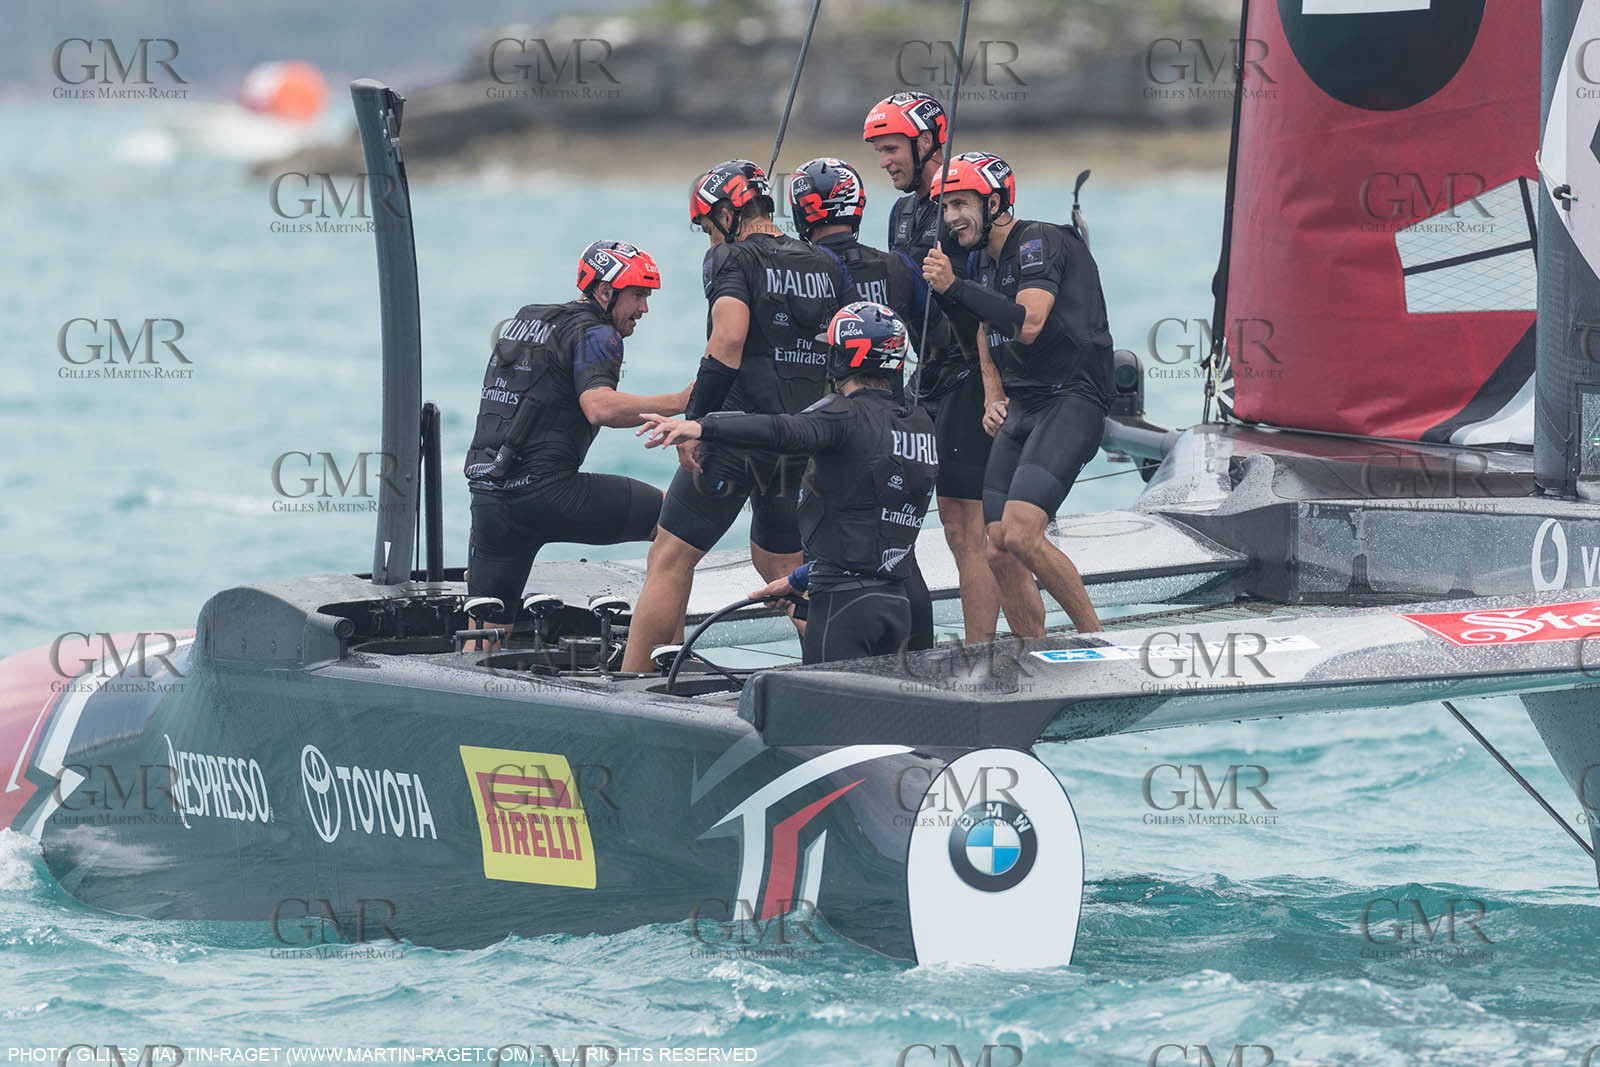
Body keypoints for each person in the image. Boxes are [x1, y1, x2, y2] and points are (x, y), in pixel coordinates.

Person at [619, 160, 849, 673]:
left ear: (727, 213)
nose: (708, 240)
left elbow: (728, 340)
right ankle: (836, 675)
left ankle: (634, 684)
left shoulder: (731, 259)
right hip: (801, 442)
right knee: (785, 565)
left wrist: (693, 422)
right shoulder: (826, 263)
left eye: (706, 227)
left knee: (669, 558)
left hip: (734, 437)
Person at [637, 302, 938, 664]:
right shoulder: (920, 423)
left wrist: (701, 425)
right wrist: (799, 579)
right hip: (903, 607)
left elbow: (781, 429)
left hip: (844, 611)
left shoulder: (844, 415)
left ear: (844, 359)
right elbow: (872, 532)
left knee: (832, 720)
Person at [922, 151, 1113, 637]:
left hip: (1071, 398)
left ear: (997, 204)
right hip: (1022, 406)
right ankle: (1035, 654)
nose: (951, 217)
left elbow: (1026, 323)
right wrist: (991, 393)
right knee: (996, 549)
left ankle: (1098, 639)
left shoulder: (1038, 241)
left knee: (1024, 535)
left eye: (962, 203)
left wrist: (953, 287)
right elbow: (988, 329)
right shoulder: (983, 262)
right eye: (945, 206)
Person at [463, 240, 689, 635]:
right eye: (637, 295)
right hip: (549, 494)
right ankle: (656, 655)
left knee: (485, 631)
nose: (644, 308)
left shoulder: (526, 319)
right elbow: (599, 407)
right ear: (604, 291)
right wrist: (682, 402)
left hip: (490, 498)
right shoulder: (599, 333)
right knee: (678, 523)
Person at [863, 91, 1002, 644]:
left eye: (893, 148)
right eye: (877, 151)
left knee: (968, 527)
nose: (885, 161)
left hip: (972, 370)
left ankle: (983, 652)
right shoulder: (901, 211)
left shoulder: (966, 198)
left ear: (927, 141)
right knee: (942, 522)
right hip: (928, 375)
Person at [785, 155, 934, 652]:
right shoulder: (897, 265)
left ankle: (830, 669)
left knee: (831, 550)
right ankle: (918, 660)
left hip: (831, 427)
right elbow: (929, 336)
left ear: (804, 212)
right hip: (897, 421)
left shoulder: (796, 265)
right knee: (896, 547)